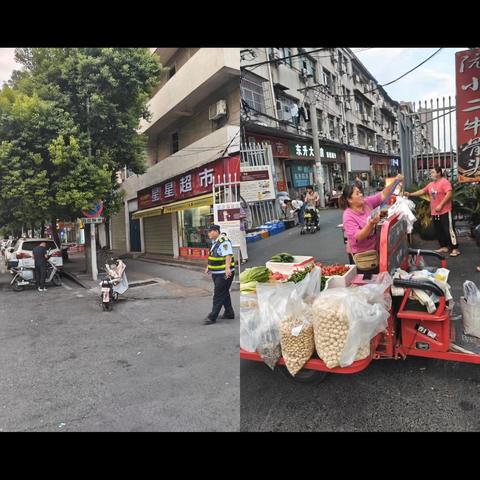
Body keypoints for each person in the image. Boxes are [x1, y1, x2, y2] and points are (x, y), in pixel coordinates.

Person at [340, 174, 404, 274]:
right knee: (365, 285)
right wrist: (370, 224)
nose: (361, 195)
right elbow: (358, 237)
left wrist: (395, 181)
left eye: (360, 192)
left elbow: (383, 195)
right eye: (357, 194)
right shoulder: (348, 215)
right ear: (349, 199)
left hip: (375, 252)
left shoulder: (367, 203)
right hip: (361, 257)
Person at [405, 166, 460, 257]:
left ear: (439, 173)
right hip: (435, 212)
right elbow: (422, 191)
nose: (431, 174)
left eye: (433, 172)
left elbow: (449, 194)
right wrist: (410, 194)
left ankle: (455, 248)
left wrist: (441, 205)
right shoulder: (431, 184)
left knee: (448, 230)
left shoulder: (444, 182)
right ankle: (444, 246)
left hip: (445, 211)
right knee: (439, 230)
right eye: (431, 172)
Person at [203, 225, 235, 325]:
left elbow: (228, 254)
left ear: (216, 231)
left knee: (218, 294)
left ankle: (212, 316)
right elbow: (213, 255)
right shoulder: (215, 242)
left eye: (209, 231)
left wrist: (227, 268)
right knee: (224, 292)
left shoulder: (224, 241)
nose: (208, 234)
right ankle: (229, 313)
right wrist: (209, 267)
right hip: (217, 272)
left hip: (224, 274)